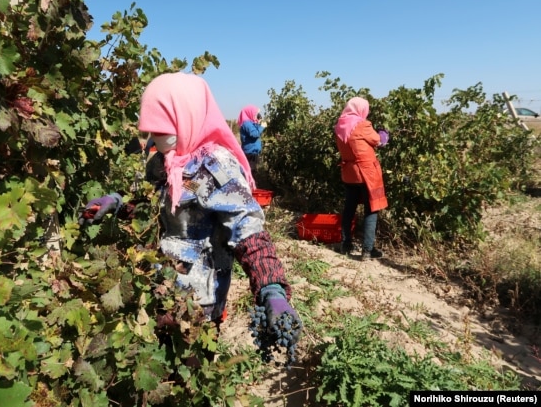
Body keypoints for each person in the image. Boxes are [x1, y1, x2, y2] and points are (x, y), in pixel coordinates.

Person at [79, 72, 301, 364]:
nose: (156, 138)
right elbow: (157, 207)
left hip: (198, 303)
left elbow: (248, 229)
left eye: (163, 128)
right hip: (159, 288)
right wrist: (118, 204)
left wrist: (271, 287)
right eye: (152, 130)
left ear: (187, 117)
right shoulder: (166, 161)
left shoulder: (214, 166)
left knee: (192, 371)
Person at [334, 97, 389, 260]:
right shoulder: (363, 125)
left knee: (349, 209)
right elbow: (379, 141)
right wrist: (384, 134)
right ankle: (367, 250)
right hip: (366, 173)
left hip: (350, 173)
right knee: (371, 209)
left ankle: (346, 244)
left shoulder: (340, 125)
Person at [237, 105, 267, 174]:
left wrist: (258, 123)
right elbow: (254, 134)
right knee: (251, 172)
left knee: (254, 172)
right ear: (250, 113)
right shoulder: (246, 124)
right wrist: (262, 127)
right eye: (256, 113)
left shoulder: (250, 123)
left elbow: (256, 131)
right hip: (250, 152)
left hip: (253, 152)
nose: (257, 115)